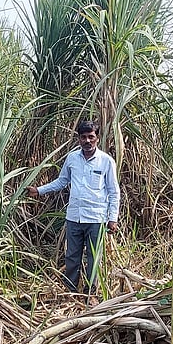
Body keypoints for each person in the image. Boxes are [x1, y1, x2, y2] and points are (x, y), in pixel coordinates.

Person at [26, 120, 120, 294]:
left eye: (91, 137)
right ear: (78, 139)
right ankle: (70, 291)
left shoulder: (106, 161)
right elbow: (62, 181)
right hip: (74, 217)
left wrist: (112, 218)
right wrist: (39, 190)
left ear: (97, 138)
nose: (87, 141)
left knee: (93, 257)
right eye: (83, 137)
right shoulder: (72, 158)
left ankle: (90, 292)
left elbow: (114, 191)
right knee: (71, 256)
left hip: (96, 218)